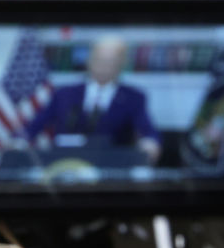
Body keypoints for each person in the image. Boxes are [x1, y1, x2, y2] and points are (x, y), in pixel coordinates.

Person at [25, 36, 161, 163]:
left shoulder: (133, 97)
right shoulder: (64, 94)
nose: (103, 65)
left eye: (110, 61)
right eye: (99, 59)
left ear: (122, 63)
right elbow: (35, 125)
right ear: (89, 59)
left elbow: (147, 131)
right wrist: (20, 141)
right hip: (64, 164)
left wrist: (150, 143)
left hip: (112, 165)